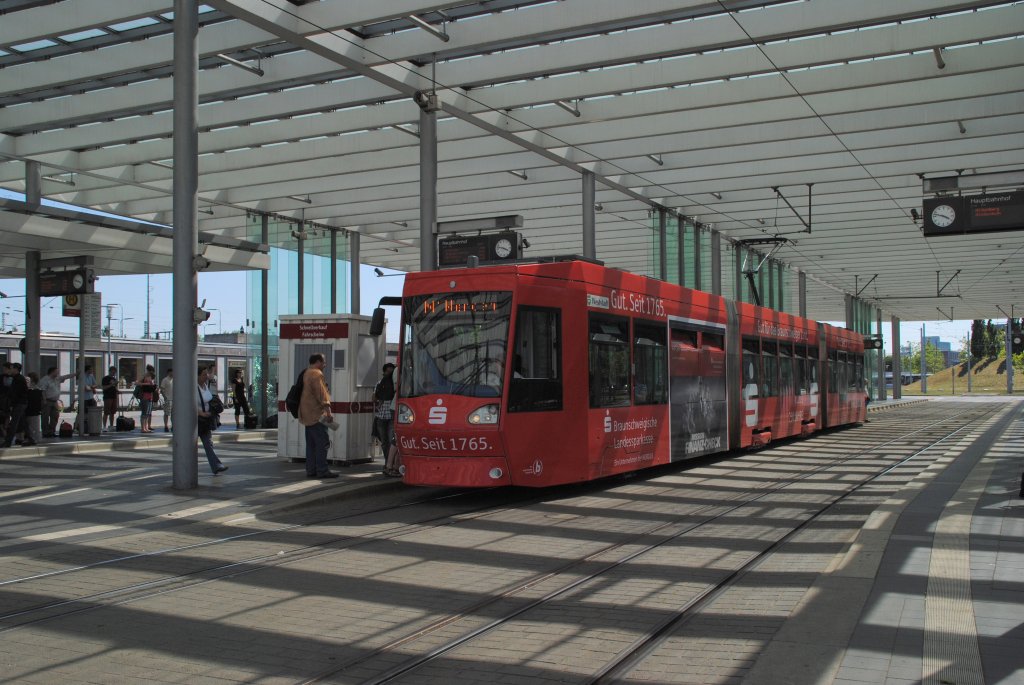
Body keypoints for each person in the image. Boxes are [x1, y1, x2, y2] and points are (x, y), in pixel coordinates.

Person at [299, 353, 337, 479]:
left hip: (306, 414)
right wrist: (328, 412)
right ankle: (322, 470)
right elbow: (322, 394)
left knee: (311, 445)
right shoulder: (316, 374)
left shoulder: (306, 372)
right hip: (316, 415)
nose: (325, 365)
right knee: (322, 443)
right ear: (318, 362)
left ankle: (311, 470)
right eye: (324, 362)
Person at [197, 366, 227, 475]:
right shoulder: (193, 387)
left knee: (208, 443)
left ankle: (216, 466)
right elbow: (188, 404)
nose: (206, 376)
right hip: (196, 420)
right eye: (204, 374)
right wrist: (200, 413)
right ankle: (185, 466)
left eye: (207, 374)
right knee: (190, 446)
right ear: (197, 376)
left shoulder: (206, 385)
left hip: (205, 420)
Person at [373, 363, 398, 476]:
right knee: (386, 441)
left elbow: (374, 399)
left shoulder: (393, 384)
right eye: (388, 372)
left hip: (387, 416)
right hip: (383, 416)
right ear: (384, 372)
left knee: (389, 440)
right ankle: (389, 463)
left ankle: (389, 464)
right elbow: (374, 398)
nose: (389, 374)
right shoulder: (380, 383)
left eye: (391, 372)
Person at [38, 366, 72, 438]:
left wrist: (76, 374)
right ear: (52, 372)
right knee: (45, 417)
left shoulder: (57, 379)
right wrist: (44, 400)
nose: (58, 373)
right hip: (47, 400)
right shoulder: (45, 380)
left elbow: (66, 376)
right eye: (56, 372)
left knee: (55, 416)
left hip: (55, 401)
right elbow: (42, 390)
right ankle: (45, 432)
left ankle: (51, 431)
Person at [4, 363, 29, 447]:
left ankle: (8, 442)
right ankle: (31, 438)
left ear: (16, 369)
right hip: (21, 403)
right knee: (23, 422)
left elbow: (16, 393)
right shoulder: (16, 378)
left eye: (11, 368)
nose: (10, 370)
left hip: (19, 403)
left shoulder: (19, 379)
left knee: (14, 423)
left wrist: (11, 404)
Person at [24, 372, 42, 447]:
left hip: (32, 410)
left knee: (32, 426)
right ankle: (34, 439)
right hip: (33, 410)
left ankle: (34, 439)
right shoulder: (38, 390)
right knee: (33, 426)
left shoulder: (32, 391)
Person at [101, 366, 118, 431]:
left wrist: (117, 391)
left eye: (115, 372)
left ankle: (111, 425)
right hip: (107, 397)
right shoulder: (105, 378)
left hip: (114, 396)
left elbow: (114, 387)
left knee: (112, 412)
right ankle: (104, 426)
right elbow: (104, 387)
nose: (114, 374)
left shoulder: (114, 379)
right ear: (110, 371)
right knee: (106, 412)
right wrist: (111, 384)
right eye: (113, 372)